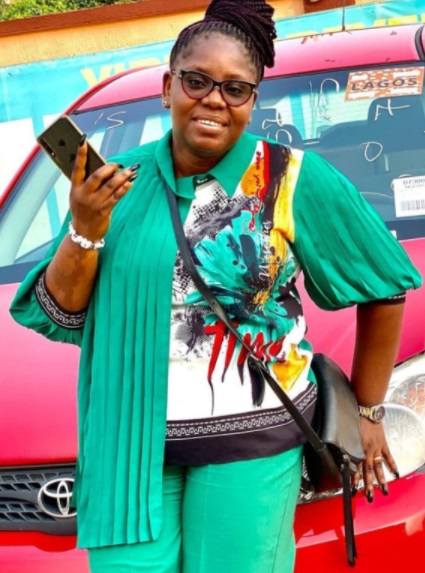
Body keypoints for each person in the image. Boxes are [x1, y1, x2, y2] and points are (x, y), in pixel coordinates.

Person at [9, 0, 422, 572]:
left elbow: (385, 286)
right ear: (168, 88)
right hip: (128, 450)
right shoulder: (114, 184)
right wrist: (85, 227)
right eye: (197, 81)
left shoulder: (289, 179)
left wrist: (369, 412)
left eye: (235, 89)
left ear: (253, 101)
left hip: (252, 451)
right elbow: (61, 313)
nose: (213, 100)